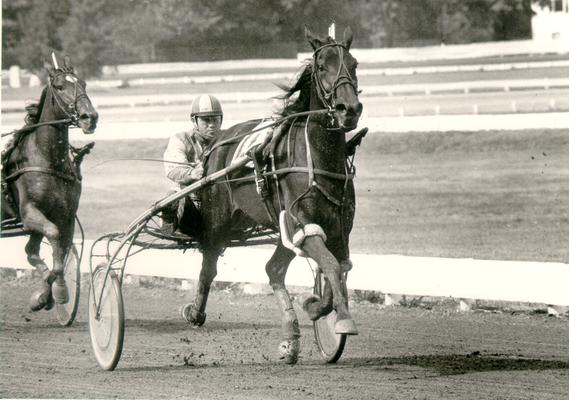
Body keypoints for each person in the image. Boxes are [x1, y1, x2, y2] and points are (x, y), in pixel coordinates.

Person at [161, 94, 224, 237]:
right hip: (192, 200)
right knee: (174, 195)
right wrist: (192, 174)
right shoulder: (181, 139)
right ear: (194, 120)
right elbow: (173, 169)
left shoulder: (228, 139)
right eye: (206, 120)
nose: (212, 125)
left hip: (220, 200)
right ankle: (172, 225)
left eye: (215, 119)